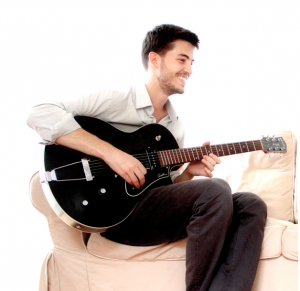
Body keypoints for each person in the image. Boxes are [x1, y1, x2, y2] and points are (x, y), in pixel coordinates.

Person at [27, 24, 267, 291]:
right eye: (182, 59)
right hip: (112, 213)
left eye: (191, 62)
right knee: (215, 189)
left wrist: (189, 173)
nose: (189, 69)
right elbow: (40, 114)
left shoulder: (175, 127)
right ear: (155, 59)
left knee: (250, 203)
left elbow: (164, 191)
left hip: (149, 210)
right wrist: (112, 154)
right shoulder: (116, 100)